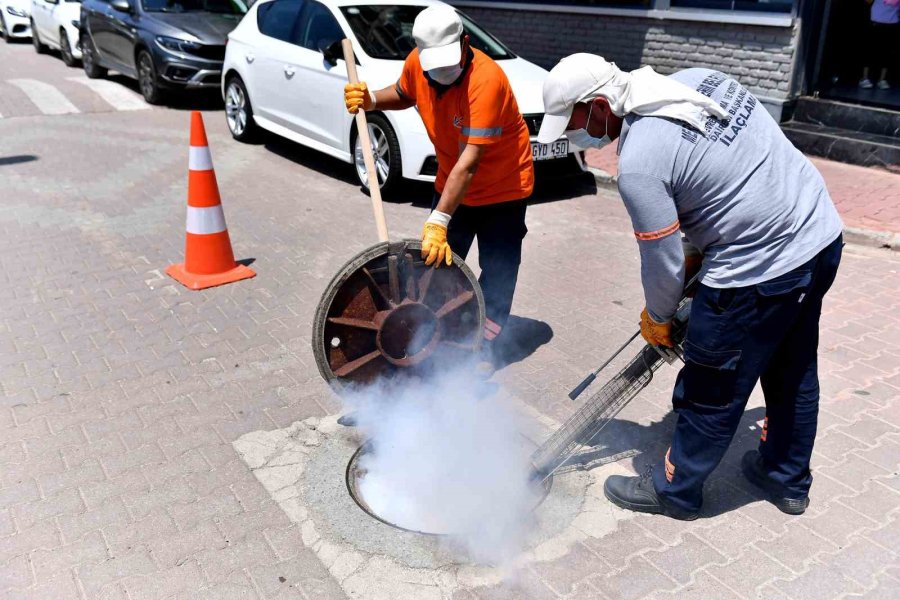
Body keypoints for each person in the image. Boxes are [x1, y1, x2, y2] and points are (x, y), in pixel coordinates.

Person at [538, 54, 843, 520]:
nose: (572, 136)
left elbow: (662, 264)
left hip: (758, 268)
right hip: (818, 236)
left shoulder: (639, 162)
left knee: (713, 382)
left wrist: (659, 317)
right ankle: (786, 478)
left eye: (572, 122)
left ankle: (674, 491)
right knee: (793, 367)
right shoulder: (698, 82)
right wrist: (702, 246)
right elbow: (725, 169)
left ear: (599, 105)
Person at [344, 5, 534, 373]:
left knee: (498, 271)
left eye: (448, 62)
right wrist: (371, 99)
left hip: (504, 190)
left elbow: (471, 162)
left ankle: (482, 350)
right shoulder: (419, 62)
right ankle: (433, 338)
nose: (442, 74)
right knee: (436, 268)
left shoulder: (486, 80)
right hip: (453, 184)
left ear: (465, 43)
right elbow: (404, 92)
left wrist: (439, 219)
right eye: (435, 65)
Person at [860, 0, 898, 89]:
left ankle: (882, 79)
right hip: (876, 20)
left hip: (892, 23)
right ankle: (864, 78)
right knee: (870, 50)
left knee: (887, 53)